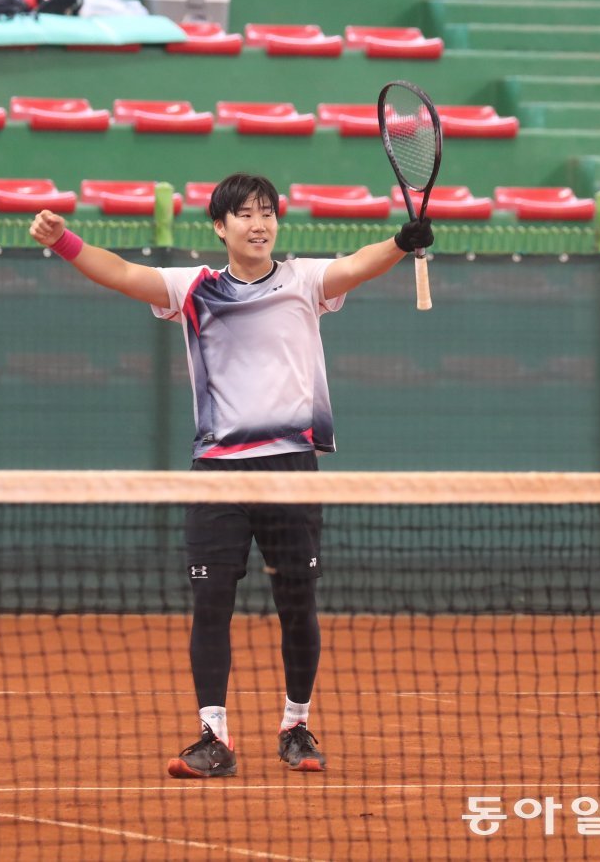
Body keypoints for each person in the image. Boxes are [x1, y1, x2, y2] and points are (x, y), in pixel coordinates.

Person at [29, 173, 432, 777]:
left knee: (298, 603)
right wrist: (64, 241)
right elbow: (119, 272)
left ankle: (297, 727)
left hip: (292, 470)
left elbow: (357, 266)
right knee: (211, 604)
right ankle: (213, 737)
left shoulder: (303, 281)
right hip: (217, 474)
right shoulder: (195, 289)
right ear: (220, 227)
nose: (259, 223)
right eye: (244, 214)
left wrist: (402, 242)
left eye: (267, 212)